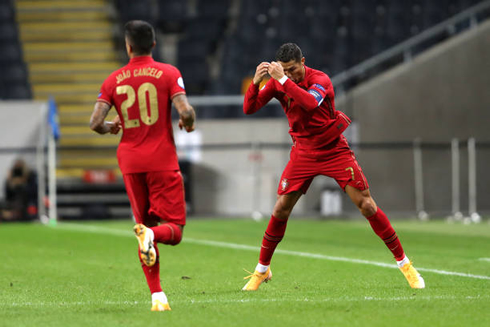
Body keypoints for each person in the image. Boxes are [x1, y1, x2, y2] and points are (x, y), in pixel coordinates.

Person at [241, 43, 424, 291]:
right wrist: (255, 83)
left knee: (367, 205)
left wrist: (282, 79)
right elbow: (249, 108)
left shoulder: (320, 80)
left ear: (303, 62)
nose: (290, 74)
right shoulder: (277, 81)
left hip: (333, 149)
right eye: (284, 70)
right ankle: (262, 270)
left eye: (293, 69)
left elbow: (309, 103)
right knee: (281, 208)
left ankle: (406, 266)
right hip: (303, 152)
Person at [89, 20, 195, 311]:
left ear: (128, 46)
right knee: (173, 230)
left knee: (144, 225)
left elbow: (95, 123)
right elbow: (185, 110)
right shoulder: (169, 73)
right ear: (154, 44)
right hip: (161, 159)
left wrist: (112, 127)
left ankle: (157, 296)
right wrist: (188, 122)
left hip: (130, 161)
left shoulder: (113, 80)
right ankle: (151, 236)